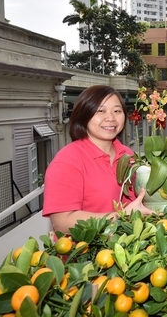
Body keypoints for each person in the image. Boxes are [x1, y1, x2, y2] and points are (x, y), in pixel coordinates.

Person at [43, 85, 153, 234]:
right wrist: (120, 217)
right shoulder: (68, 160)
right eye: (100, 111)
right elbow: (62, 222)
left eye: (117, 111)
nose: (111, 118)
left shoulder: (127, 155)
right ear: (84, 115)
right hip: (88, 254)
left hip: (129, 250)